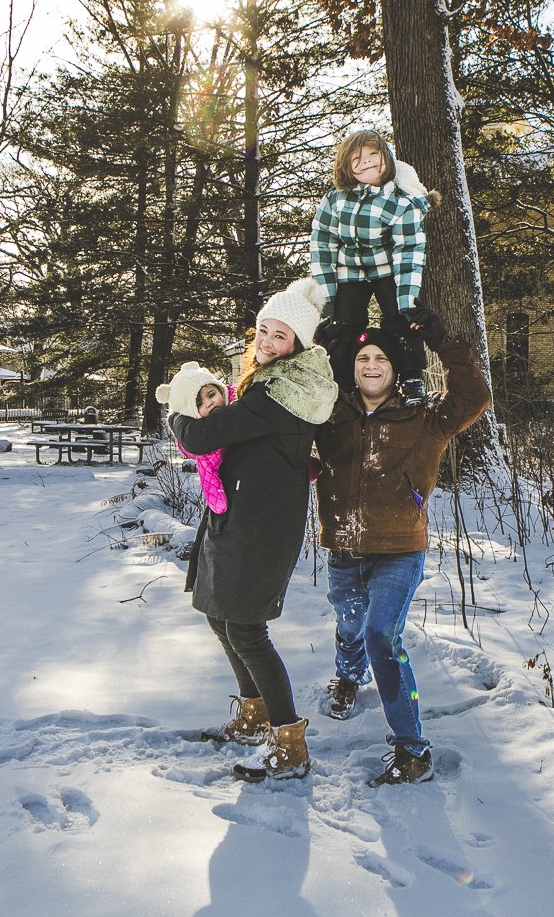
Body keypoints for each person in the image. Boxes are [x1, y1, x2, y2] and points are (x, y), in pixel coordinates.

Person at [168, 277, 339, 782]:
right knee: (221, 617)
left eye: (279, 335)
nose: (265, 341)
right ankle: (254, 713)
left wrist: (177, 409)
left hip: (261, 528)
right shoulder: (269, 384)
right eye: (262, 330)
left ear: (299, 345)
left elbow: (202, 436)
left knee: (245, 628)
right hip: (239, 518)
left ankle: (289, 744)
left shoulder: (279, 392)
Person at [314, 306, 491, 786]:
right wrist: (316, 342)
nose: (371, 364)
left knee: (381, 636)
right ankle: (348, 678)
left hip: (399, 549)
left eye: (381, 358)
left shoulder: (426, 415)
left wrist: (444, 342)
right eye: (362, 357)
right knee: (349, 622)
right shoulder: (330, 413)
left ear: (395, 367)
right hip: (344, 546)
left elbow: (475, 396)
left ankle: (412, 749)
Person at [309, 129, 438, 402]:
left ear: (387, 159)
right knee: (344, 323)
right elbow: (323, 244)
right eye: (356, 157)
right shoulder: (336, 200)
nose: (365, 160)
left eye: (372, 154)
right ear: (346, 166)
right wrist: (327, 294)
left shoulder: (401, 203)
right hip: (349, 270)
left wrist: (407, 299)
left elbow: (408, 251)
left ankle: (412, 379)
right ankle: (341, 384)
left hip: (387, 269)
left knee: (401, 319)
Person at [156, 362, 232, 515]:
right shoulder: (205, 446)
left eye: (211, 395)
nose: (209, 403)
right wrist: (217, 501)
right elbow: (208, 475)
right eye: (199, 404)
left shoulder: (239, 402)